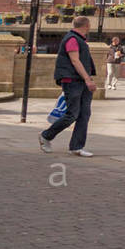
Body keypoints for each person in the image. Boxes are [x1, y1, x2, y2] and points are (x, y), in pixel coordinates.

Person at [39, 15, 97, 157]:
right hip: (72, 81)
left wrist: (86, 80)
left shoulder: (79, 40)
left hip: (81, 81)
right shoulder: (72, 39)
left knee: (84, 114)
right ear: (86, 25)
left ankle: (76, 147)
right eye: (89, 25)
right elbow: (75, 61)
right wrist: (87, 79)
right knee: (72, 114)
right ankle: (46, 136)